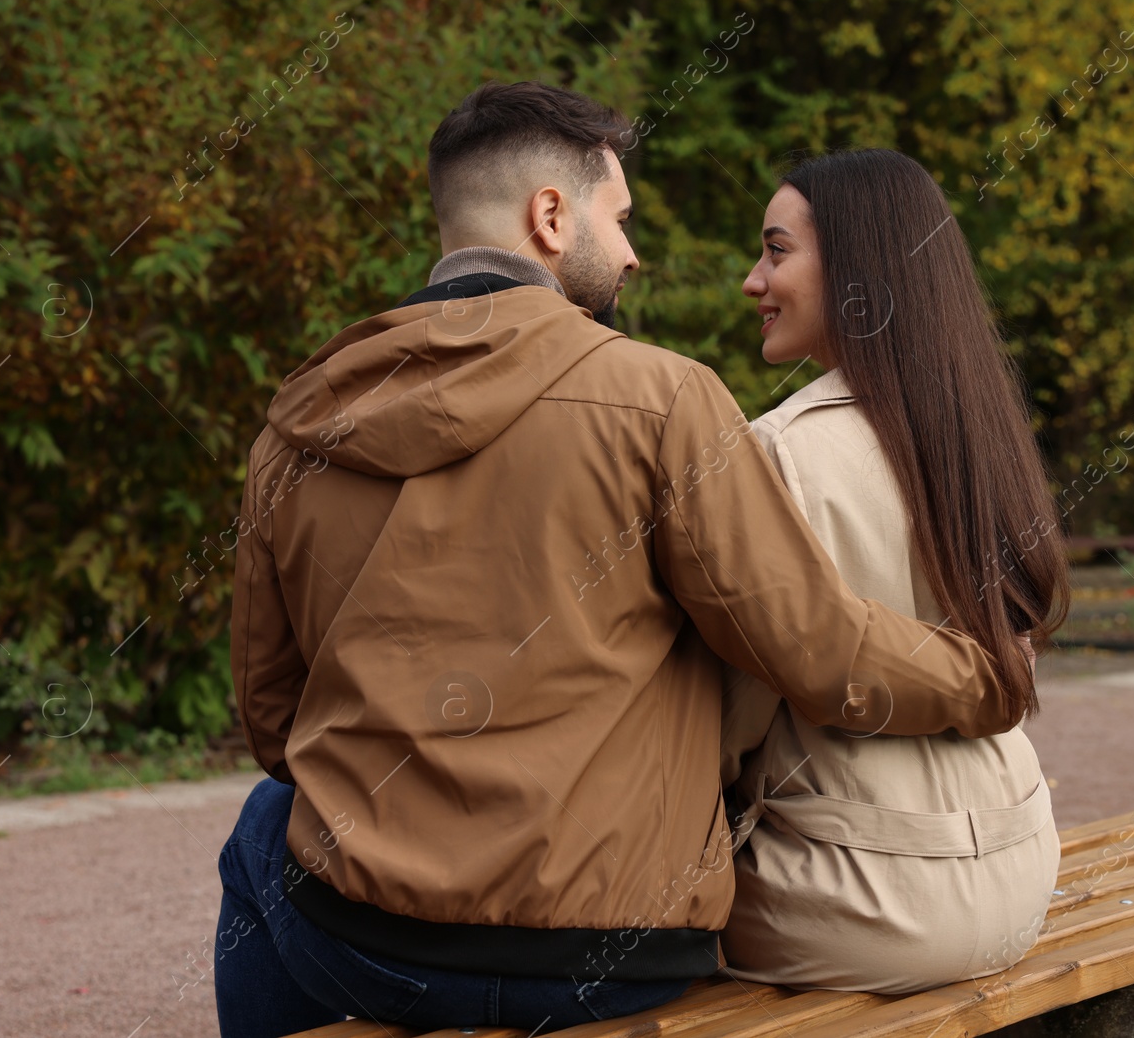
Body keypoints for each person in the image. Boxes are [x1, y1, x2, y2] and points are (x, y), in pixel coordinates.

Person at [216, 84, 1023, 1037]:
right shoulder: (663, 400)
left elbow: (273, 716)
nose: (634, 250)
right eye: (621, 215)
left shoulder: (300, 422)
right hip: (612, 953)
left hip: (370, 938)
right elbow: (815, 645)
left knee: (266, 828)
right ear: (550, 217)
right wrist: (987, 678)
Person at [719, 148, 1070, 995]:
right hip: (1020, 870)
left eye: (775, 250)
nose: (751, 280)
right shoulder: (977, 428)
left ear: (856, 270)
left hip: (858, 897)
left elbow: (739, 708)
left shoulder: (782, 450)